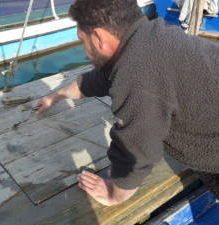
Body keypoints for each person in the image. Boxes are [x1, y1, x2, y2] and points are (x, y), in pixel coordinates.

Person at [36, 0, 219, 206]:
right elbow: (100, 79)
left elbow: (137, 151)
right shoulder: (152, 36)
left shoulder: (137, 76)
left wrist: (114, 196)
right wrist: (56, 96)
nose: (85, 50)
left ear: (98, 37)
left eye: (82, 40)